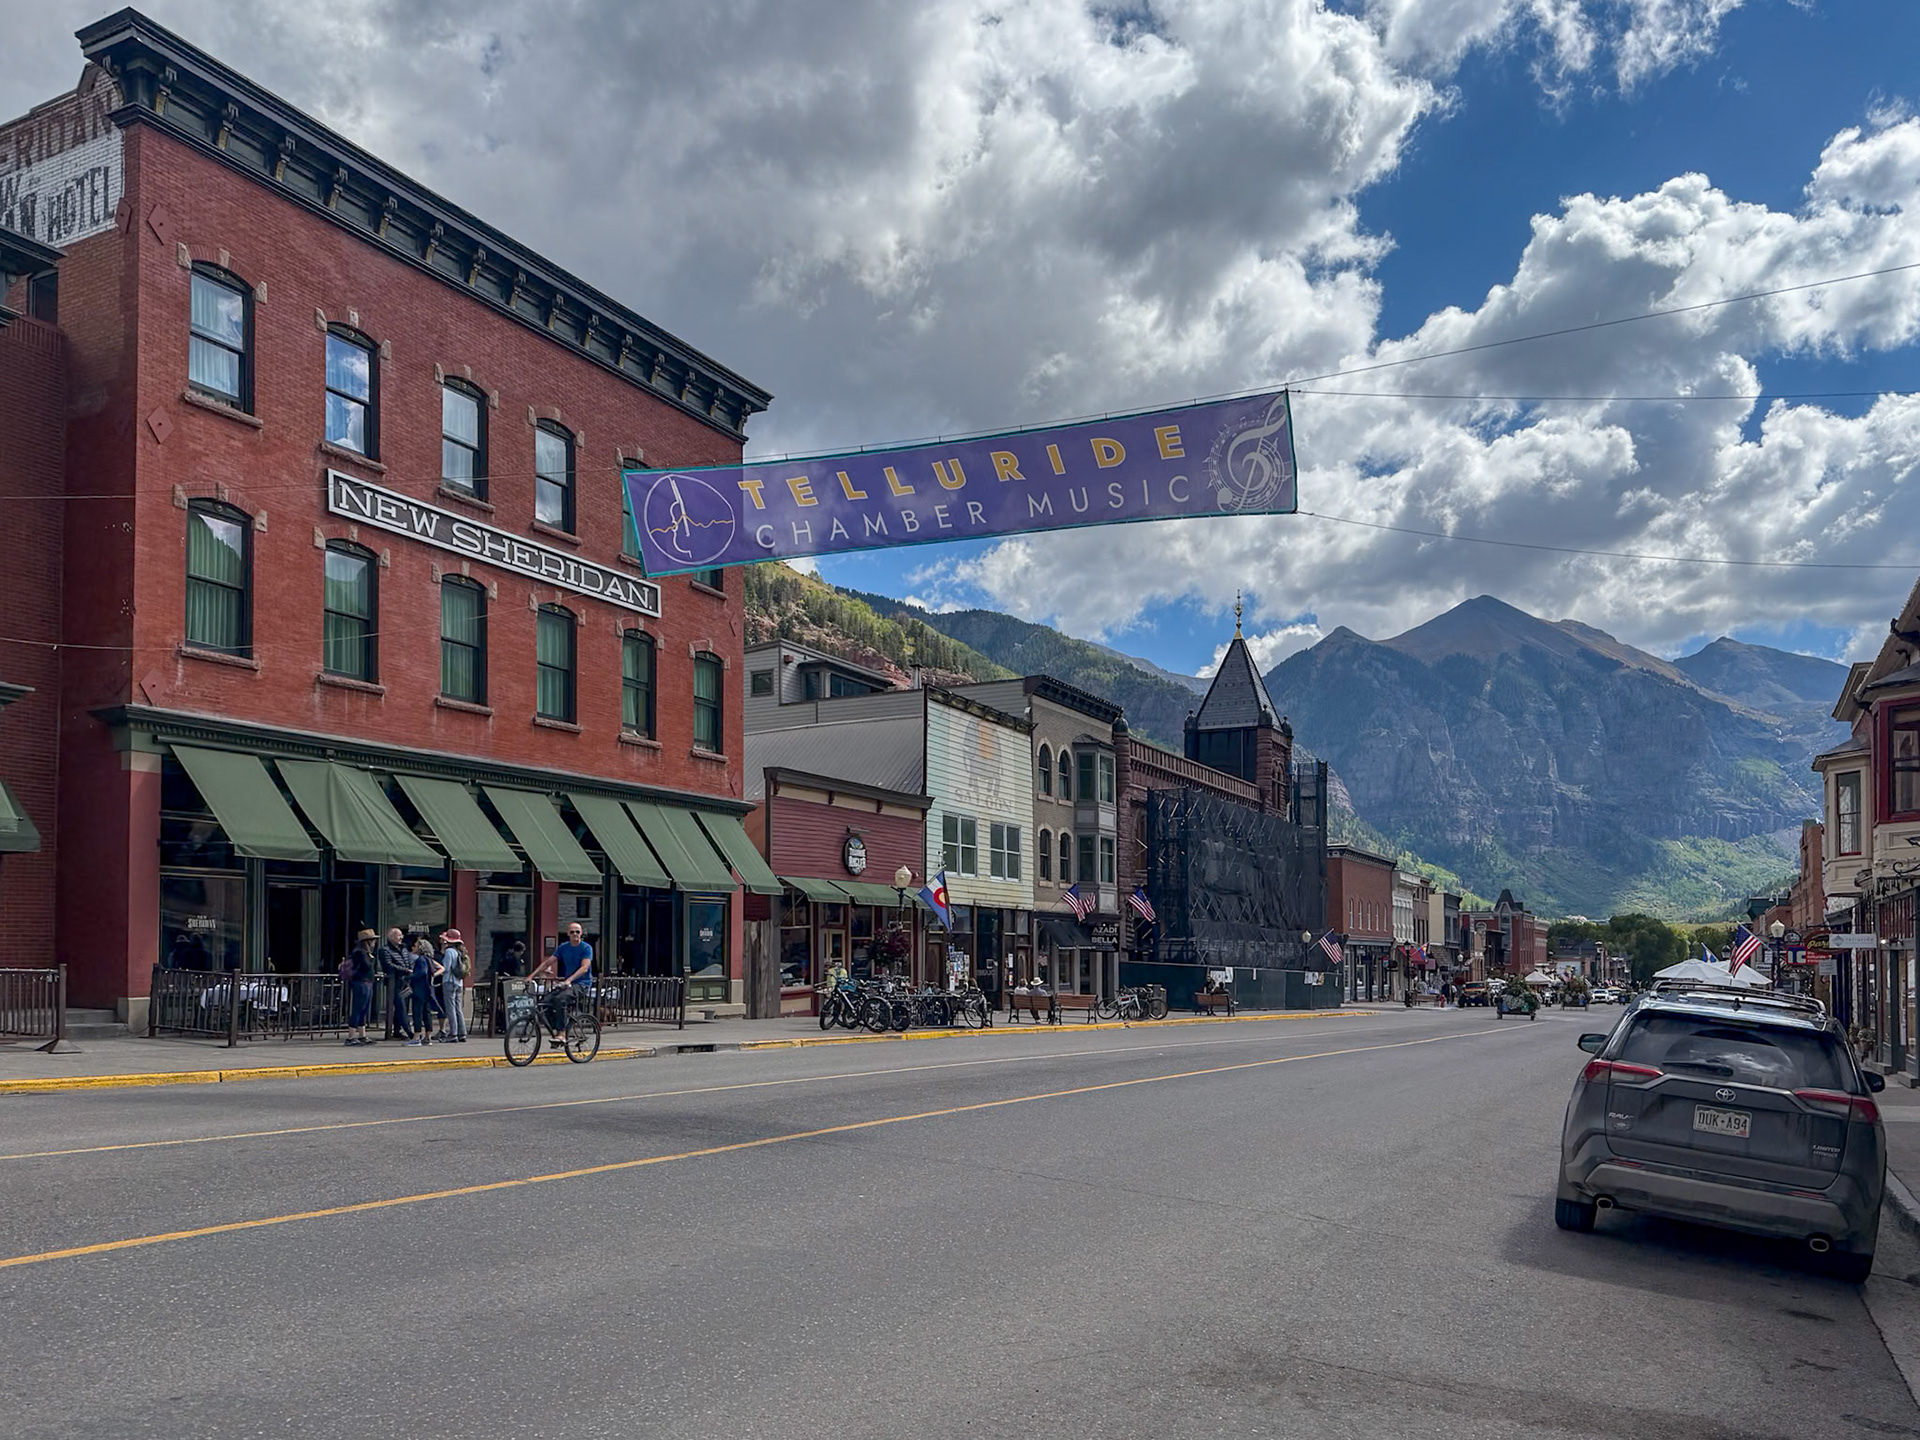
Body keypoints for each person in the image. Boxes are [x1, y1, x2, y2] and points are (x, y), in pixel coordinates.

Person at [535, 923, 594, 1037]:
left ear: (581, 933)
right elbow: (548, 962)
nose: (575, 934)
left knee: (561, 999)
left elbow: (584, 968)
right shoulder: (563, 947)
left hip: (582, 984)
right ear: (568, 934)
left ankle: (562, 1033)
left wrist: (569, 980)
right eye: (572, 932)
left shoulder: (586, 948)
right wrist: (531, 976)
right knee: (544, 1002)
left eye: (577, 931)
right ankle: (556, 1028)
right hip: (568, 984)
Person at [342, 928, 377, 1046]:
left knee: (364, 1009)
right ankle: (351, 1036)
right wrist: (371, 959)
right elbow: (366, 966)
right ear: (367, 941)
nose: (374, 943)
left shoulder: (364, 952)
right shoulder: (360, 952)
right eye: (372, 940)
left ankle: (362, 1035)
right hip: (361, 983)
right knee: (358, 1008)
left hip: (366, 982)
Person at [377, 927, 413, 1040]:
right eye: (398, 935)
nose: (401, 937)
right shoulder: (385, 950)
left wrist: (409, 970)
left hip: (405, 982)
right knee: (400, 1006)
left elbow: (409, 961)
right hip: (394, 983)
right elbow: (388, 965)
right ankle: (408, 1031)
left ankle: (397, 1031)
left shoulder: (404, 949)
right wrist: (405, 970)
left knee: (403, 1007)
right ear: (391, 937)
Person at [407, 935, 439, 1046]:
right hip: (427, 990)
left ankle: (416, 1037)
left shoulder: (420, 960)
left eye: (415, 946)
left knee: (417, 1013)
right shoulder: (429, 960)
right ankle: (428, 1036)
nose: (413, 947)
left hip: (419, 990)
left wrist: (409, 976)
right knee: (427, 1013)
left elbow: (421, 973)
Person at [439, 928, 469, 1044]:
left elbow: (446, 968)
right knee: (458, 1009)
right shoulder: (460, 951)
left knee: (450, 1009)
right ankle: (462, 1033)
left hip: (449, 982)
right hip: (459, 983)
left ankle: (453, 1034)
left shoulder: (449, 952)